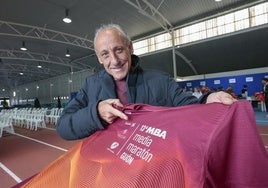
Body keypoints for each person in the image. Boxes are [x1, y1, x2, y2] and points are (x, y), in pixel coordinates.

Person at [56, 24, 236, 140]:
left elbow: (191, 107)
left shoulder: (161, 81)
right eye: (105, 54)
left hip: (153, 171)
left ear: (130, 47)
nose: (115, 61)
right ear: (99, 58)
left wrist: (208, 99)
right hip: (110, 173)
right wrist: (95, 113)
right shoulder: (90, 86)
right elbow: (64, 126)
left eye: (118, 50)